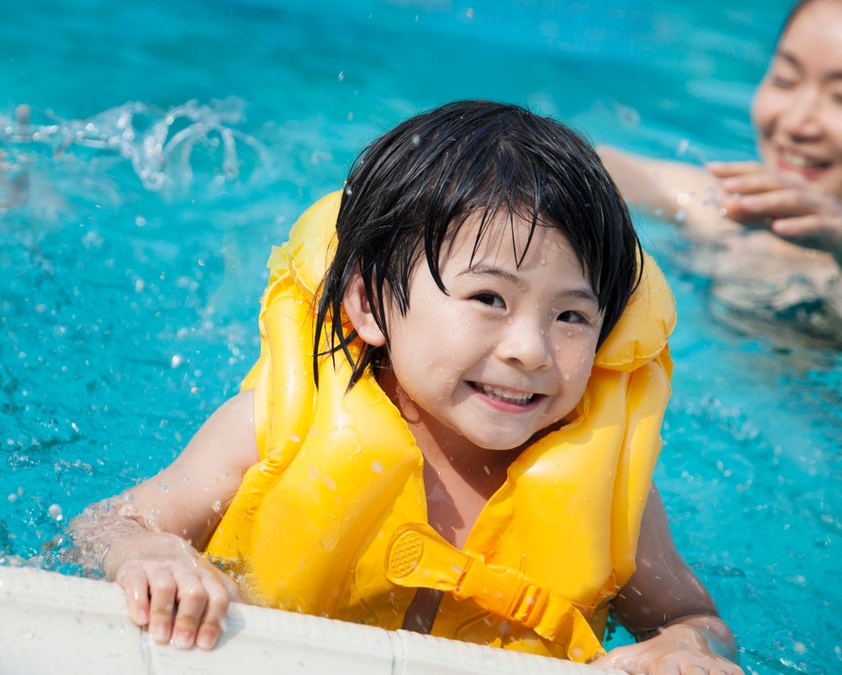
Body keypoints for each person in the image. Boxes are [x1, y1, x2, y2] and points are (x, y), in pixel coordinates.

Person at [70, 100, 742, 675]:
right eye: (488, 297)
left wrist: (684, 646)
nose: (529, 349)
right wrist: (149, 551)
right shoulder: (276, 427)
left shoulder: (614, 495)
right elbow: (102, 524)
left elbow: (691, 613)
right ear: (368, 304)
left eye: (571, 316)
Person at [598, 0, 842, 343]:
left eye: (840, 97)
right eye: (785, 80)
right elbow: (584, 165)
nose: (796, 123)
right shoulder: (716, 207)